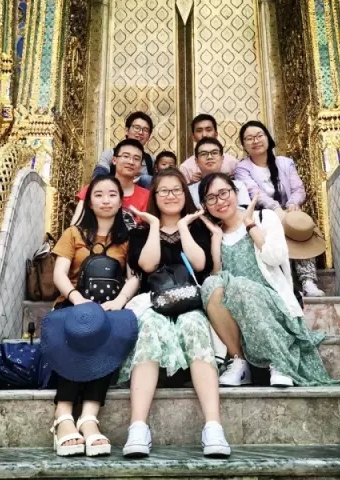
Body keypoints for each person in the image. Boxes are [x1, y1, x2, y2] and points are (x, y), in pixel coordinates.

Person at [119, 168, 230, 458]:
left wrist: (183, 227)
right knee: (150, 327)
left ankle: (213, 427)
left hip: (190, 302)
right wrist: (154, 225)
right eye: (164, 191)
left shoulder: (199, 228)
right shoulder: (140, 232)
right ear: (154, 196)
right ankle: (138, 427)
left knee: (194, 325)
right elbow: (148, 266)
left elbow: (200, 263)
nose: (171, 196)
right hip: (153, 303)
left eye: (177, 190)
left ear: (185, 193)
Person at [198, 173, 339, 388]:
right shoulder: (215, 233)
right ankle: (239, 361)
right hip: (237, 307)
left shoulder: (264, 218)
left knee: (241, 287)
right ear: (205, 205)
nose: (219, 201)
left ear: (235, 192)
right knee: (210, 285)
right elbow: (217, 280)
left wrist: (249, 225)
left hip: (272, 301)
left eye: (224, 193)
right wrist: (216, 240)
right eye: (211, 198)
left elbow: (275, 257)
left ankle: (279, 362)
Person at [42, 175, 141, 457]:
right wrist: (77, 299)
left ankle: (89, 417)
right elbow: (60, 273)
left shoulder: (128, 238)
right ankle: (63, 416)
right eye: (98, 194)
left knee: (107, 332)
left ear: (121, 201)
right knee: (79, 330)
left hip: (110, 308)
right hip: (73, 304)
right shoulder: (73, 233)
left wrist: (119, 302)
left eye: (112, 194)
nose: (105, 200)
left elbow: (134, 277)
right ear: (89, 201)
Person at [235, 120, 325, 297]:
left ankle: (308, 281)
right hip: (262, 214)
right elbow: (255, 193)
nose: (255, 141)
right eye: (249, 138)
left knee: (299, 222)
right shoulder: (242, 168)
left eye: (259, 136)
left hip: (288, 212)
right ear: (244, 145)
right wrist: (276, 209)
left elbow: (298, 189)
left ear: (268, 138)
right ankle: (285, 282)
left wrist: (292, 204)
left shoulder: (285, 163)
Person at [72, 138, 150, 229]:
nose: (131, 162)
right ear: (114, 160)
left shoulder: (147, 197)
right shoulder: (94, 188)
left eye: (136, 159)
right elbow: (76, 225)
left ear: (140, 166)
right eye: (126, 156)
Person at [94, 111, 155, 188]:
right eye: (137, 128)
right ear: (127, 130)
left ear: (149, 136)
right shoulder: (110, 154)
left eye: (145, 130)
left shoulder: (151, 160)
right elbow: (97, 179)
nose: (140, 132)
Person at [187, 137, 251, 208]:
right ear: (196, 161)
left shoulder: (238, 186)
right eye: (204, 154)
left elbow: (245, 212)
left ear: (222, 159)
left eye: (214, 153)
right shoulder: (189, 191)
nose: (210, 157)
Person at [180, 114, 238, 184]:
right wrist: (191, 183)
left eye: (208, 130)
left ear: (216, 134)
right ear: (193, 137)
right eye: (199, 131)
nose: (204, 135)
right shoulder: (186, 168)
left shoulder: (232, 163)